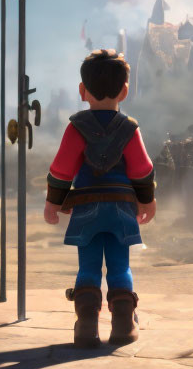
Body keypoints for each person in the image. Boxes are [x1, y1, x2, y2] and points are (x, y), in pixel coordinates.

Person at [43, 49, 156, 348]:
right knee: (120, 266)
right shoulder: (130, 129)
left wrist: (53, 202)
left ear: (82, 91)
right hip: (121, 208)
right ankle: (122, 324)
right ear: (125, 90)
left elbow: (62, 169)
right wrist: (147, 200)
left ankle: (86, 324)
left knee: (88, 267)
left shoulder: (76, 127)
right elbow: (142, 169)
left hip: (86, 209)